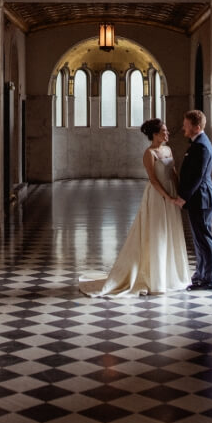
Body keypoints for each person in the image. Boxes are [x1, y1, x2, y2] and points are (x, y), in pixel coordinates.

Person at [79, 119, 190, 297]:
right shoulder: (149, 153)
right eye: (164, 131)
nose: (167, 134)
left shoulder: (168, 150)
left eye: (167, 131)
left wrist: (177, 194)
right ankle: (156, 279)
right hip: (157, 196)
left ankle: (171, 276)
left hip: (171, 195)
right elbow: (153, 180)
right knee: (157, 234)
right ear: (154, 134)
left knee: (171, 232)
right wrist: (167, 196)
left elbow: (174, 173)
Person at [175, 109, 212, 291]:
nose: (183, 128)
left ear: (196, 127)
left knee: (205, 240)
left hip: (202, 199)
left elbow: (197, 176)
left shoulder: (201, 146)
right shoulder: (198, 143)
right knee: (200, 240)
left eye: (186, 125)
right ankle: (201, 274)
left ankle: (209, 279)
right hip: (199, 199)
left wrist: (183, 197)